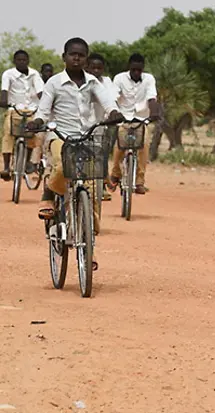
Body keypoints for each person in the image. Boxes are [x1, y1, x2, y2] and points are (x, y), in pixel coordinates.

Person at [33, 39, 122, 261]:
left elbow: (109, 103)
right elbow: (43, 112)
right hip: (60, 136)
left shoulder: (93, 83)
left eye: (81, 55)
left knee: (93, 190)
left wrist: (113, 114)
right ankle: (48, 193)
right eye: (72, 54)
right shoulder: (54, 83)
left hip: (87, 137)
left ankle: (87, 242)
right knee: (63, 165)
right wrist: (37, 122)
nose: (76, 58)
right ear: (64, 57)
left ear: (86, 58)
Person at [108, 53, 161, 194]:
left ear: (143, 69)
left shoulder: (149, 79)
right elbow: (113, 97)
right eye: (134, 70)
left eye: (139, 70)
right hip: (124, 118)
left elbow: (152, 98)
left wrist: (155, 113)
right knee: (119, 147)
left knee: (144, 145)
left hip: (141, 119)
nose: (136, 73)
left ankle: (139, 182)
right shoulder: (119, 78)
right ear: (129, 68)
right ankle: (116, 173)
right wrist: (114, 113)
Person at [1, 50, 45, 180]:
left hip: (32, 109)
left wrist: (45, 104)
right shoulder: (8, 74)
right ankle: (7, 167)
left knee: (33, 133)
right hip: (15, 109)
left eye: (24, 60)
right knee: (8, 133)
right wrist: (3, 100)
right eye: (19, 60)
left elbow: (40, 92)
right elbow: (4, 90)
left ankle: (26, 161)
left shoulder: (34, 74)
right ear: (14, 61)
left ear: (28, 61)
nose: (22, 62)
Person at [86, 53, 119, 202]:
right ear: (87, 67)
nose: (96, 71)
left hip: (99, 126)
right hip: (76, 129)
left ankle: (102, 185)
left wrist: (113, 115)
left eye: (99, 68)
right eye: (92, 67)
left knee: (101, 157)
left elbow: (110, 99)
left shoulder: (106, 83)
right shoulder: (81, 82)